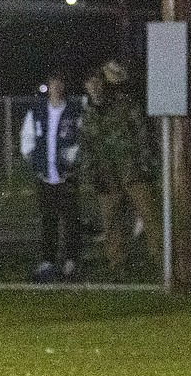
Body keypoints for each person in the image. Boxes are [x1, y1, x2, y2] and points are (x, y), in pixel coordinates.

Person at [79, 61, 162, 279]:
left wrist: (145, 165)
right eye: (90, 84)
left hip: (132, 171)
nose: (95, 87)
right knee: (111, 222)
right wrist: (91, 175)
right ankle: (117, 265)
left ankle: (160, 260)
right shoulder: (89, 113)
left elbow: (143, 136)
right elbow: (87, 146)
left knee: (150, 216)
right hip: (107, 176)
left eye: (98, 82)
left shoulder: (125, 105)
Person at [20, 69, 83, 282]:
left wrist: (73, 163)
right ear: (48, 85)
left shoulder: (74, 111)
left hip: (67, 176)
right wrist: (36, 164)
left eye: (60, 83)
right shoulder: (37, 111)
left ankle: (71, 261)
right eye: (53, 82)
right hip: (45, 176)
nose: (56, 87)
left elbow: (80, 141)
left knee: (71, 220)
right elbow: (27, 139)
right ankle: (48, 261)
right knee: (49, 220)